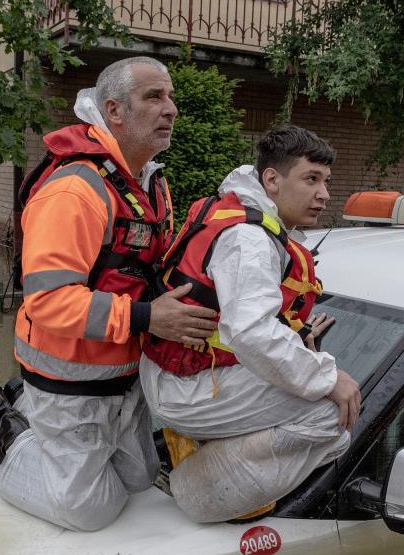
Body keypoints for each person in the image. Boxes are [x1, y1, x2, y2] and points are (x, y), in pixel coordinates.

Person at [0, 56, 217, 532]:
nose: (171, 108)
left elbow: (146, 271)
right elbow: (49, 302)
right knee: (89, 511)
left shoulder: (152, 184)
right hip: (68, 377)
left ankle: (23, 405)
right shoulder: (74, 190)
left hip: (124, 376)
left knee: (139, 479)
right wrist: (148, 319)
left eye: (171, 96)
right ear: (114, 110)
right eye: (155, 97)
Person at [140, 125, 362, 523]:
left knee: (309, 378)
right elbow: (253, 334)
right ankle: (197, 493)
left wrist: (298, 336)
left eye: (326, 181)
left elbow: (244, 318)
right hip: (184, 390)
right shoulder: (250, 240)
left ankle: (210, 451)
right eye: (311, 179)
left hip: (173, 370)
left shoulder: (240, 211)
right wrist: (330, 378)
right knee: (334, 414)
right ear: (272, 180)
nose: (324, 194)